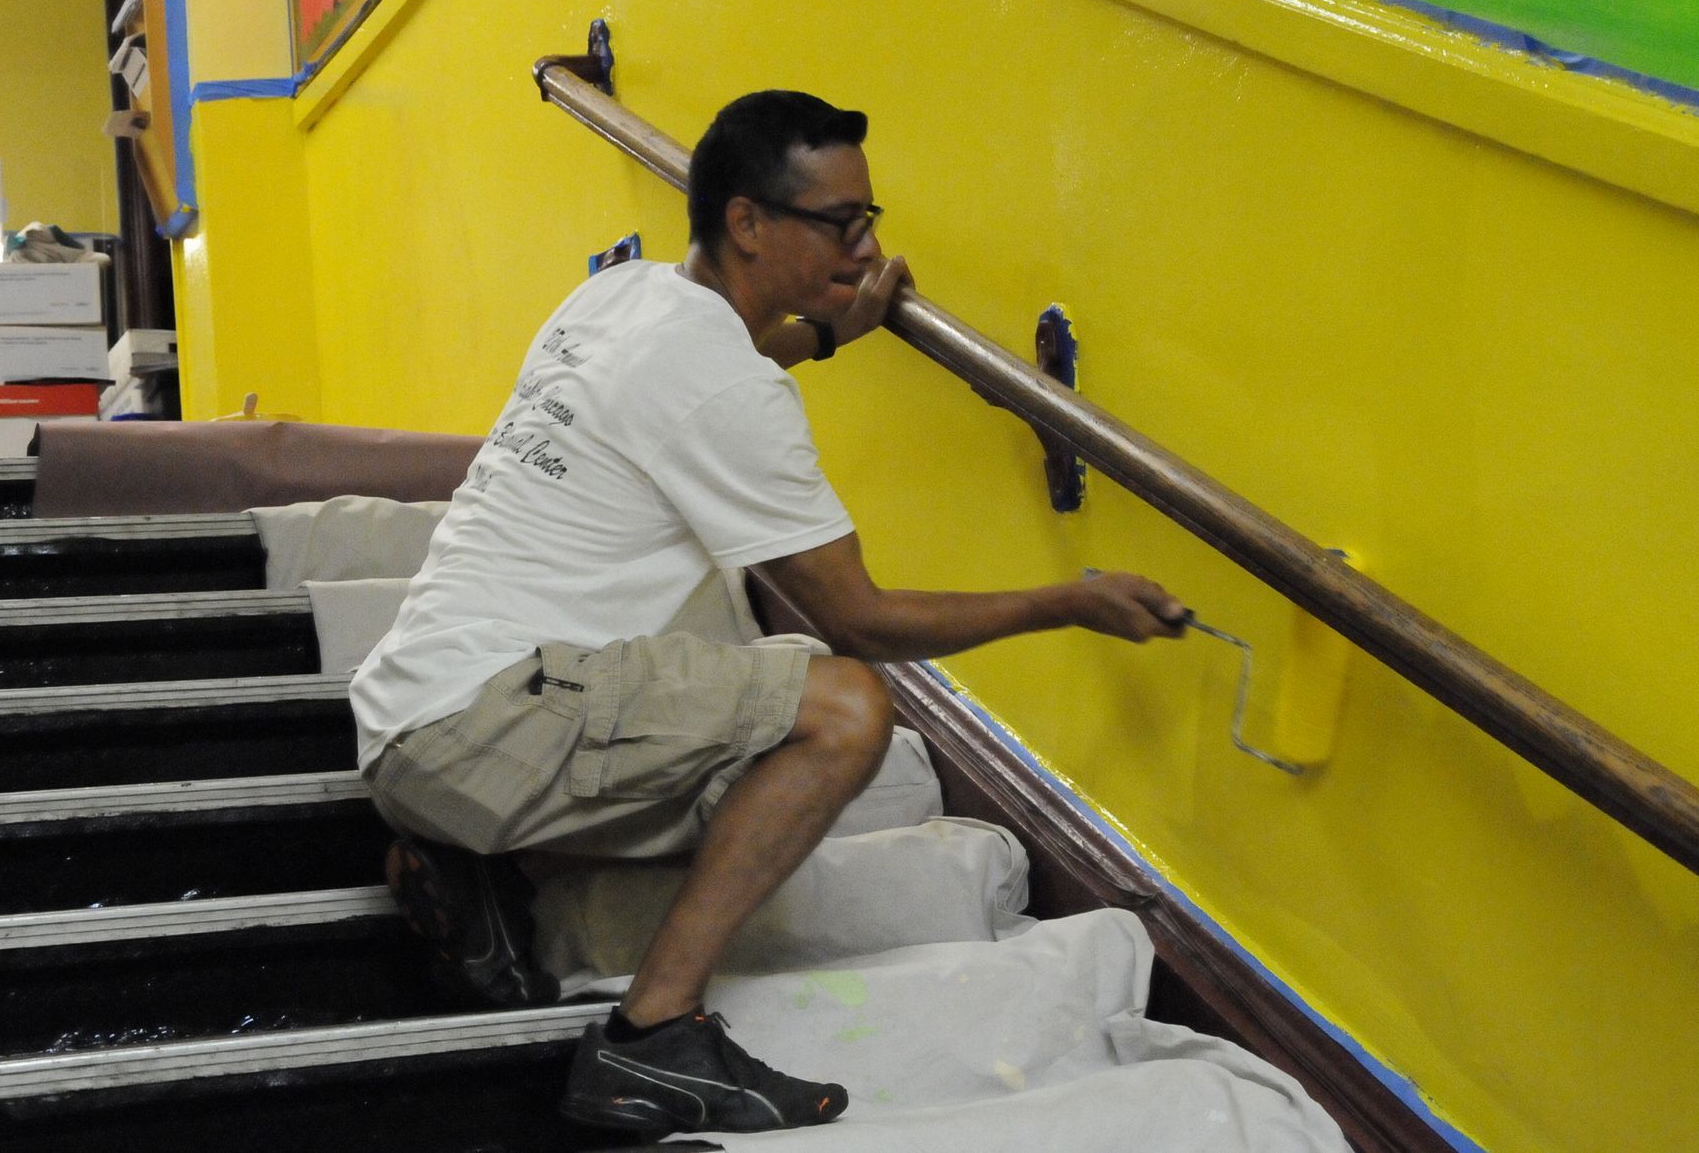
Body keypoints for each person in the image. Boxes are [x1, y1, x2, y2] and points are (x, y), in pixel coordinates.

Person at [349, 90, 1186, 1138]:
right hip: (487, 726)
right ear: (748, 223)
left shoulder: (616, 300)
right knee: (838, 709)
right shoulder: (724, 388)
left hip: (411, 715)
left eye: (869, 220)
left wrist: (823, 338)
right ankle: (651, 1038)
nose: (867, 244)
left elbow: (693, 389)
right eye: (843, 224)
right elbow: (862, 622)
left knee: (741, 680)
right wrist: (1067, 600)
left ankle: (474, 865)